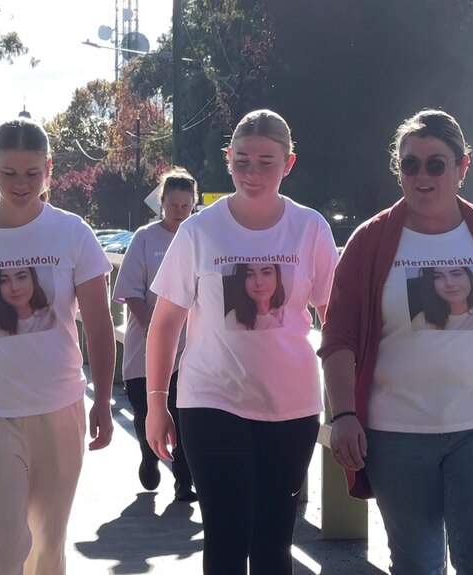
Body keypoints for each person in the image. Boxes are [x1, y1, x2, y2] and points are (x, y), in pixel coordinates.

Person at [319, 109, 473, 575]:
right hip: (396, 434)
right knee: (417, 563)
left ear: (462, 167)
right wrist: (344, 414)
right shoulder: (370, 241)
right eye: (410, 164)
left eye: (436, 164)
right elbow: (339, 335)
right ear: (399, 169)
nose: (422, 176)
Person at [145, 109, 338, 575]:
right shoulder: (199, 230)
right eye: (243, 161)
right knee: (227, 537)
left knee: (274, 541)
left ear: (288, 164)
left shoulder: (311, 228)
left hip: (291, 406)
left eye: (267, 162)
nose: (253, 173)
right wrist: (156, 402)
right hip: (211, 401)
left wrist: (347, 404)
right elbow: (166, 320)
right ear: (228, 158)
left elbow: (334, 317)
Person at [0, 117, 116, 575]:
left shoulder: (73, 233)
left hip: (59, 406)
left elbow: (99, 322)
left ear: (49, 169)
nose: (21, 184)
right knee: (4, 545)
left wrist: (105, 402)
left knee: (45, 545)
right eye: (9, 173)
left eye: (32, 173)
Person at [112, 167, 197, 502]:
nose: (179, 213)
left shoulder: (198, 236)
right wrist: (150, 325)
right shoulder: (146, 239)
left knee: (183, 414)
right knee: (146, 409)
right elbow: (131, 289)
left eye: (185, 207)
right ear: (161, 203)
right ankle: (149, 456)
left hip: (188, 347)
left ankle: (184, 481)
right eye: (173, 206)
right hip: (146, 346)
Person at [410, 265, 473, 330]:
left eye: (456, 274)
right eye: (437, 277)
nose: (449, 283)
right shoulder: (422, 321)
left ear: (470, 278)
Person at [0, 266, 57, 338]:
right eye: (3, 281)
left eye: (21, 277)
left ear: (33, 279)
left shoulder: (53, 315)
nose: (14, 288)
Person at [224, 262, 286, 330]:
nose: (258, 282)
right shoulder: (233, 320)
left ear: (277, 276)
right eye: (249, 275)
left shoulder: (286, 317)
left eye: (266, 273)